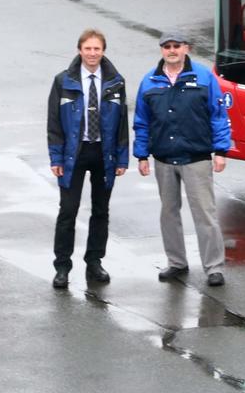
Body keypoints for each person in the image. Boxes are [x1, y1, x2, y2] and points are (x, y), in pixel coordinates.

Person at [133, 31, 232, 287]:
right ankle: (177, 262)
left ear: (186, 48)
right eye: (167, 46)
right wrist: (141, 155)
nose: (172, 50)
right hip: (164, 159)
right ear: (162, 50)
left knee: (205, 214)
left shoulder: (203, 77)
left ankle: (214, 268)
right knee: (168, 213)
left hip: (196, 157)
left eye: (177, 46)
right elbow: (142, 122)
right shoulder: (149, 81)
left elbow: (218, 115)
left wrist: (221, 151)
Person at [48, 28, 128, 289]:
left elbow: (122, 124)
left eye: (97, 49)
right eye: (88, 48)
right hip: (75, 154)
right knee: (67, 211)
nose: (92, 53)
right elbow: (54, 123)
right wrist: (56, 158)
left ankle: (94, 262)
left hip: (104, 154)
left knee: (101, 211)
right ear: (79, 50)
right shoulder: (63, 81)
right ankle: (62, 266)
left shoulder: (116, 81)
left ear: (103, 51)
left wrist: (122, 159)